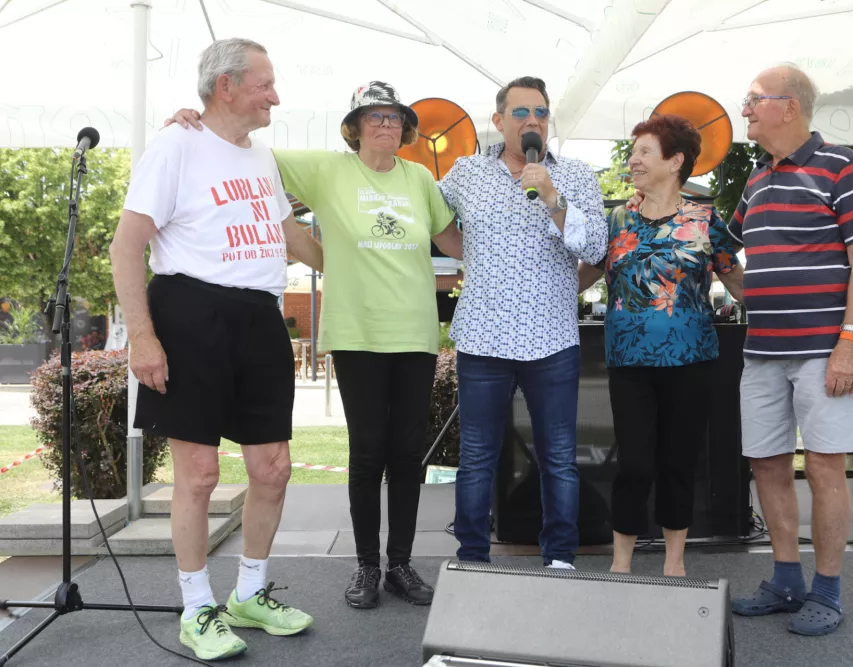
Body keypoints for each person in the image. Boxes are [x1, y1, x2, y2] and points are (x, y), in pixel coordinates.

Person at [166, 81, 463, 610]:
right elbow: (245, 145)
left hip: (415, 333)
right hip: (356, 332)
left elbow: (452, 243)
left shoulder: (420, 178)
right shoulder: (328, 169)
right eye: (374, 117)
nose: (385, 125)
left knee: (407, 453)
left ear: (405, 129)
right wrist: (198, 120)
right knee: (368, 452)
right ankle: (367, 566)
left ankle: (401, 564)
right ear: (354, 128)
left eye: (394, 118)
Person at [109, 38, 318, 661]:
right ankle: (197, 606)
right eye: (264, 84)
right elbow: (126, 248)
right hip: (191, 311)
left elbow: (291, 237)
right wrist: (142, 338)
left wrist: (369, 263)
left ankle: (249, 595)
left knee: (272, 468)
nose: (274, 96)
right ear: (225, 86)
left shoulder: (262, 158)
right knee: (198, 474)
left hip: (259, 315)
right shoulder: (176, 143)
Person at [726, 65, 853, 636]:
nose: (744, 109)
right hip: (761, 350)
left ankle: (829, 591)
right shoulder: (754, 181)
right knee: (766, 464)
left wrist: (851, 341)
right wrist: (718, 262)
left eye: (752, 100)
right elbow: (740, 263)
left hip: (824, 349)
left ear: (788, 107)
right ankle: (787, 579)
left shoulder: (841, 164)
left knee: (823, 465)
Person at [438, 76, 607, 568]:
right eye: (519, 113)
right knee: (476, 460)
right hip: (483, 338)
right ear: (498, 121)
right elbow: (429, 217)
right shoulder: (467, 172)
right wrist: (469, 253)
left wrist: (553, 197)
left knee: (558, 459)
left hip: (551, 339)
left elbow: (596, 248)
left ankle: (559, 557)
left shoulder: (575, 175)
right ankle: (471, 558)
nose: (532, 121)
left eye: (540, 112)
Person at [578, 114, 744, 577]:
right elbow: (579, 278)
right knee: (634, 464)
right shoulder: (616, 220)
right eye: (633, 153)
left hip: (692, 361)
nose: (633, 161)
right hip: (629, 362)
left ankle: (675, 563)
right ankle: (621, 563)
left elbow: (738, 283)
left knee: (678, 463)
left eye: (645, 152)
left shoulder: (705, 219)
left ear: (675, 162)